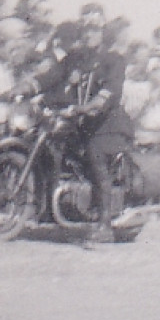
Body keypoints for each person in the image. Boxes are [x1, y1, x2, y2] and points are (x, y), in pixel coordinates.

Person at [34, 16, 135, 243]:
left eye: (94, 30)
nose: (89, 35)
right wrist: (26, 86)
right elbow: (51, 76)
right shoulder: (76, 58)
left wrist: (92, 106)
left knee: (94, 155)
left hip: (107, 124)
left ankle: (104, 225)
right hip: (80, 121)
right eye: (86, 30)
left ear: (103, 34)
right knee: (53, 148)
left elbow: (111, 89)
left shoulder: (113, 60)